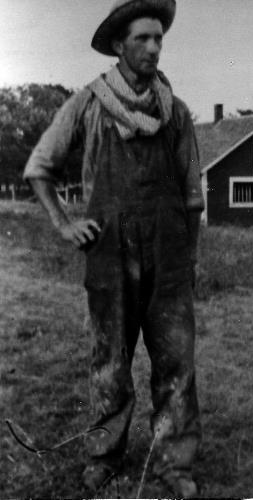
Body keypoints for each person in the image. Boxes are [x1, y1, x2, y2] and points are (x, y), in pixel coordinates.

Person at [23, 0, 204, 496]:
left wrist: (188, 259)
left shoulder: (178, 112)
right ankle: (103, 456)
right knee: (109, 361)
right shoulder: (88, 103)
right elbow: (40, 167)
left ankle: (174, 466)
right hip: (109, 254)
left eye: (159, 38)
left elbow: (193, 197)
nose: (153, 47)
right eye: (143, 38)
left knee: (176, 364)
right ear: (120, 44)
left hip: (168, 255)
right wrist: (64, 224)